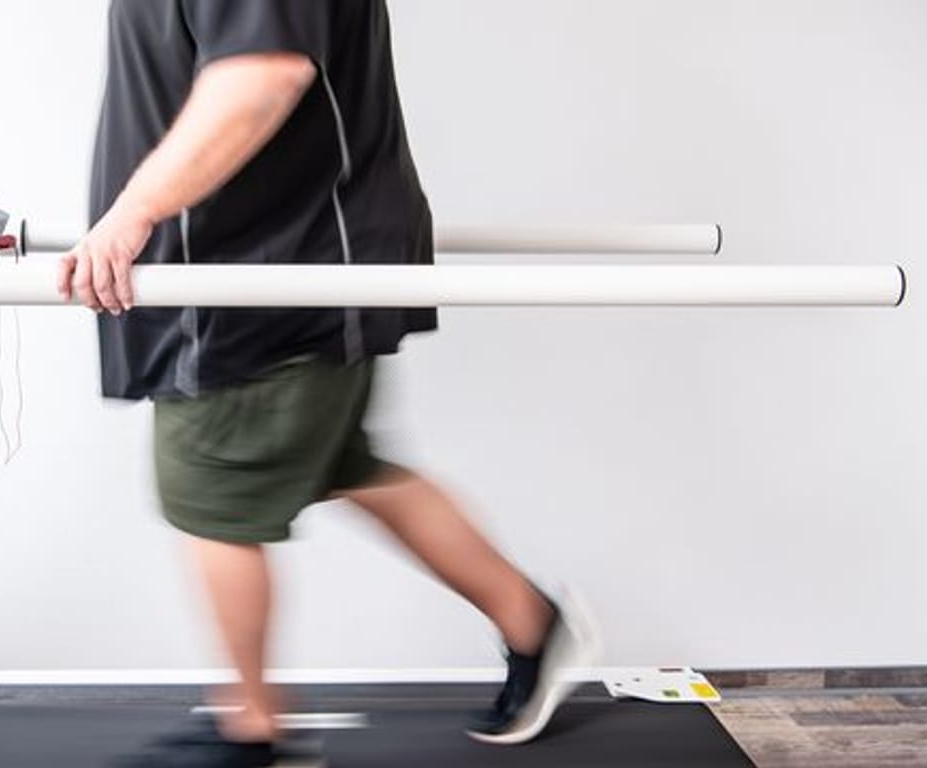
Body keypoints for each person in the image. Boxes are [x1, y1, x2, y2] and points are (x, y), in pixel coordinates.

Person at [55, 2, 600, 765]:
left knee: (211, 490)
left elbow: (264, 72)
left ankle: (250, 728)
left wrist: (133, 211)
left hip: (271, 268)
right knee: (343, 464)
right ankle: (532, 622)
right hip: (266, 259)